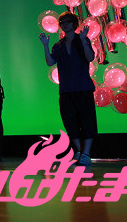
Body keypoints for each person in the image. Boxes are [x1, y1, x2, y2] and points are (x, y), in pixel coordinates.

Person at [39, 11, 96, 166]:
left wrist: (84, 41)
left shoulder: (82, 39)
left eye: (68, 22)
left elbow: (90, 57)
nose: (65, 25)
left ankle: (86, 153)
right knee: (70, 122)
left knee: (88, 121)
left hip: (83, 88)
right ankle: (79, 152)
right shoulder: (58, 45)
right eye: (62, 23)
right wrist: (45, 45)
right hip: (66, 90)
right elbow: (50, 62)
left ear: (74, 24)